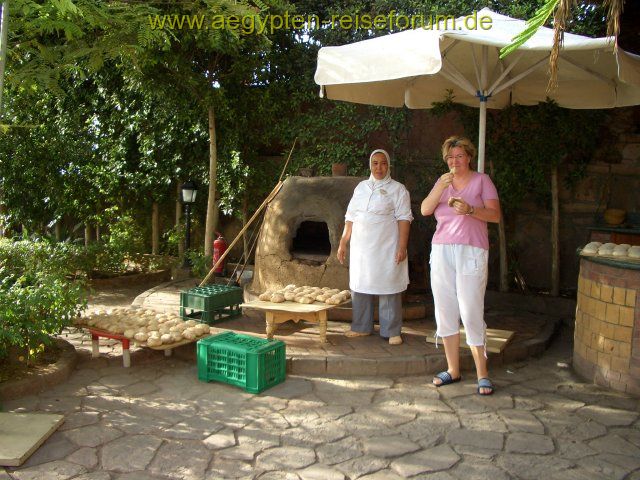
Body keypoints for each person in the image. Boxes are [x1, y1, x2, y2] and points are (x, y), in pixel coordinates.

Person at [420, 136, 501, 395]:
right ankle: (453, 369)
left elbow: (495, 215)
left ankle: (482, 373)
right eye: (450, 157)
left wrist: (470, 210)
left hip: (472, 250)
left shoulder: (482, 180)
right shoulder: (442, 182)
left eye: (459, 156)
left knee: (470, 310)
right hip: (442, 249)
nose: (455, 161)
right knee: (445, 308)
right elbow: (424, 210)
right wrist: (439, 187)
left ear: (469, 157)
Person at [337, 149, 413, 345]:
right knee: (361, 284)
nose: (379, 167)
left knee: (388, 283)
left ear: (389, 166)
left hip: (386, 245)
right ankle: (361, 326)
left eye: (383, 163)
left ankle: (391, 330)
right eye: (375, 163)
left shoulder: (398, 189)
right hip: (362, 248)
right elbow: (350, 217)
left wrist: (402, 246)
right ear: (370, 165)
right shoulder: (360, 188)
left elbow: (404, 218)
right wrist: (343, 242)